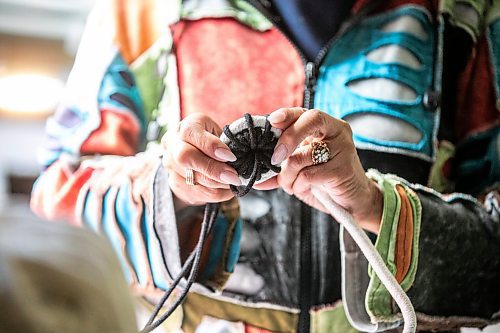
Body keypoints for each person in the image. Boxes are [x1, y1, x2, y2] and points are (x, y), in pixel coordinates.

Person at [31, 0, 500, 332]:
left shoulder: (462, 14)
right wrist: (168, 189)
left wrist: (373, 204)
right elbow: (55, 211)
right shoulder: (137, 12)